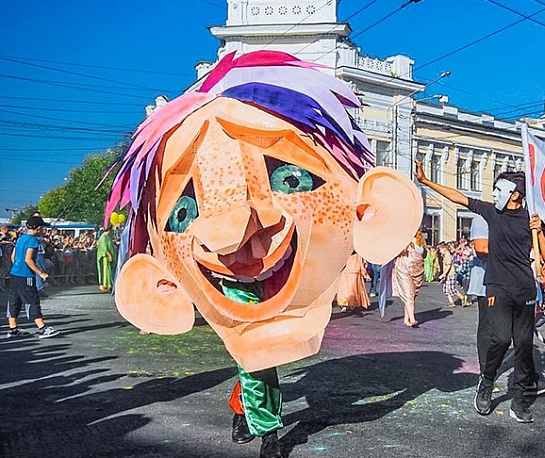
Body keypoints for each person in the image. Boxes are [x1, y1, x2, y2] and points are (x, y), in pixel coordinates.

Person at [106, 50, 422, 458]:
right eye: (184, 209)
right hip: (229, 282)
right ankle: (269, 431)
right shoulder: (212, 249)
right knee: (255, 354)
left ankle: (243, 407)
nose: (234, 234)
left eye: (287, 175)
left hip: (276, 270)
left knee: (260, 356)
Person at [414, 159, 545, 423]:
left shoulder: (531, 218)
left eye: (500, 189)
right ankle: (487, 380)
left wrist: (540, 232)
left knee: (524, 345)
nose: (494, 194)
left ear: (516, 194)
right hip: (497, 286)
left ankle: (519, 400)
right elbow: (460, 198)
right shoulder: (493, 212)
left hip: (525, 288)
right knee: (501, 338)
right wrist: (425, 182)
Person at [5, 215, 60, 338]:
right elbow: (28, 260)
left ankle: (13, 328)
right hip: (26, 276)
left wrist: (17, 268)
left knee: (15, 300)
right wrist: (41, 273)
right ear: (39, 228)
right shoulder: (33, 241)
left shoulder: (21, 238)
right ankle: (42, 328)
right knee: (32, 300)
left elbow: (13, 257)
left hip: (15, 274)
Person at [392, 230, 426, 327]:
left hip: (417, 269)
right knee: (409, 294)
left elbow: (422, 252)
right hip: (404, 269)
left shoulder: (420, 240)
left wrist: (414, 244)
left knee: (412, 295)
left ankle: (406, 319)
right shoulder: (402, 240)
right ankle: (412, 318)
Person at [96, 228, 116, 292]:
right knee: (104, 271)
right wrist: (109, 255)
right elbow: (103, 247)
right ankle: (103, 285)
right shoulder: (103, 237)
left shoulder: (108, 237)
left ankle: (108, 285)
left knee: (109, 271)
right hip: (104, 257)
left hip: (108, 258)